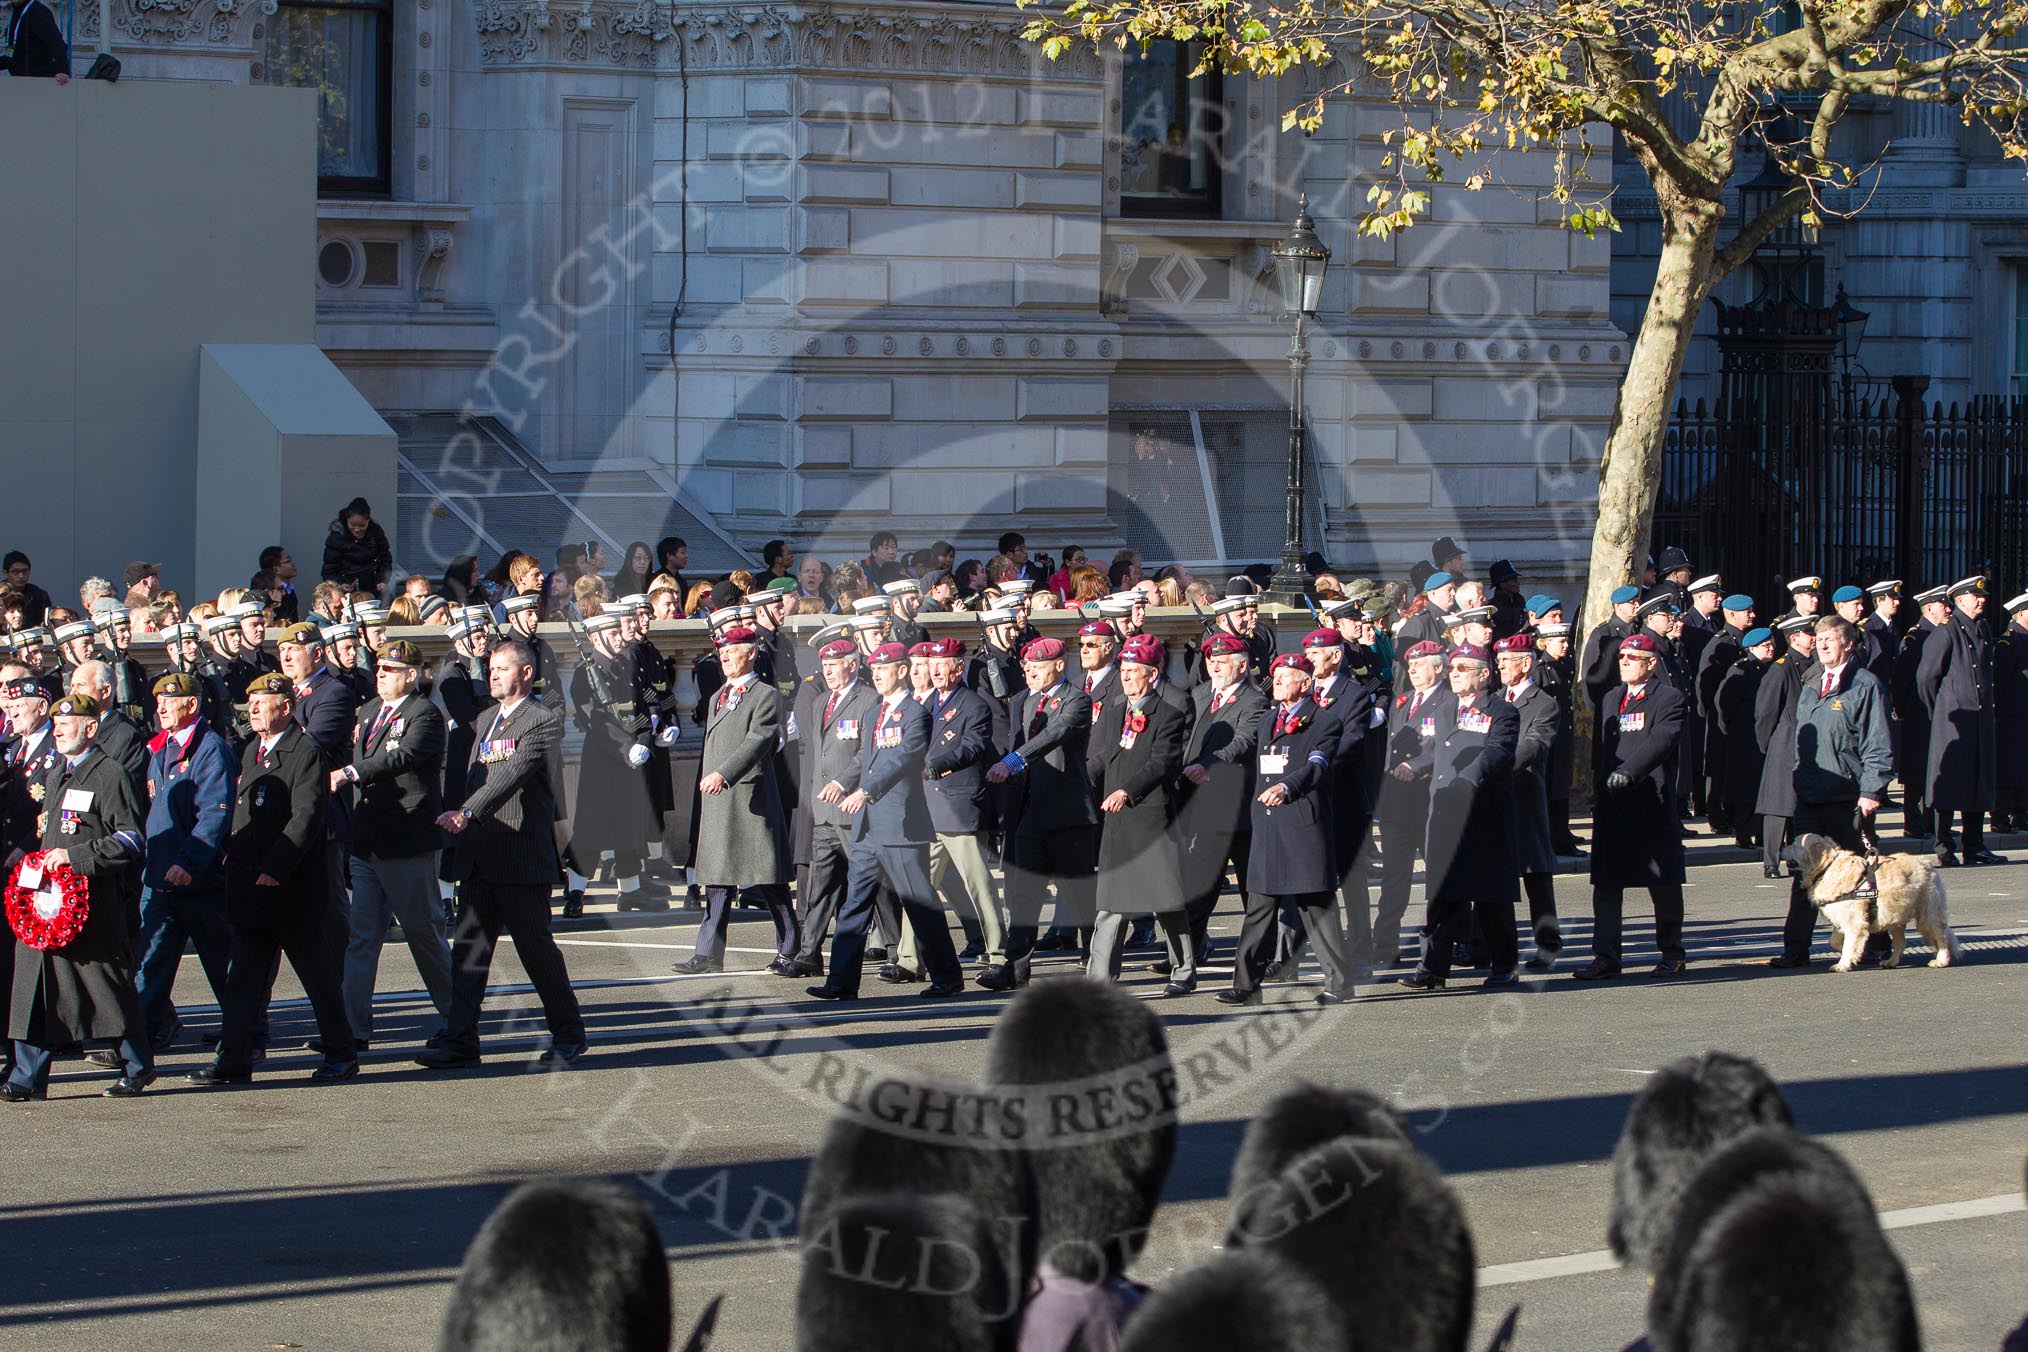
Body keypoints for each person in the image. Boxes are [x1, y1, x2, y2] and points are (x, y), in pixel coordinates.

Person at [418, 640, 587, 1069]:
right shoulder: (487, 718)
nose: (492, 675)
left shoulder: (542, 720)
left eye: (501, 668)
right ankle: (460, 1040)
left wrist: (467, 812)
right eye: (490, 668)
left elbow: (510, 776)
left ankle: (568, 1033)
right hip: (479, 855)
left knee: (536, 951)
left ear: (526, 674)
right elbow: (475, 776)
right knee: (469, 952)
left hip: (519, 857)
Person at [187, 674, 359, 1086]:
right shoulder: (252, 751)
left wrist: (276, 866)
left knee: (318, 978)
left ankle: (341, 1054)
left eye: (262, 702)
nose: (254, 710)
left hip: (291, 889)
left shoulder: (306, 753)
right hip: (251, 889)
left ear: (285, 707)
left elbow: (307, 817)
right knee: (243, 981)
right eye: (251, 703)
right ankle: (233, 1059)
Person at [3, 694, 152, 1101]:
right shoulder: (57, 777)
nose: (59, 731)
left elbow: (130, 839)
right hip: (48, 906)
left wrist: (76, 857)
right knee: (33, 985)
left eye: (68, 725)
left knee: (105, 988)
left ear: (90, 727)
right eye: (56, 725)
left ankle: (138, 1065)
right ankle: (25, 1076)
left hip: (93, 906)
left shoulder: (110, 774)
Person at [806, 643, 967, 1000]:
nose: (877, 675)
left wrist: (866, 791)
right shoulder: (874, 712)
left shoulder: (915, 714)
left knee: (919, 903)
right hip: (867, 827)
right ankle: (841, 983)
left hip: (900, 825)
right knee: (854, 906)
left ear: (904, 671)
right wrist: (842, 782)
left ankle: (947, 976)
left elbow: (906, 758)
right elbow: (864, 758)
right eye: (874, 669)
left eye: (886, 668)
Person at [330, 640, 453, 1045]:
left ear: (411, 675)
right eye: (379, 667)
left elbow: (403, 758)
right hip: (369, 842)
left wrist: (350, 772)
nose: (380, 674)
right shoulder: (368, 711)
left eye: (390, 669)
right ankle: (352, 1026)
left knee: (423, 933)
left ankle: (457, 1016)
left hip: (407, 843)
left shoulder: (425, 715)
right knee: (361, 936)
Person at [1222, 653, 1359, 1006]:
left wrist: (1287, 787)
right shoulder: (1268, 719)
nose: (1278, 680)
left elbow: (1319, 764)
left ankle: (1339, 983)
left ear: (1306, 682)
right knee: (1259, 907)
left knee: (1317, 907)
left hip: (1301, 824)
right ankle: (1246, 984)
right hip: (1267, 826)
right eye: (1275, 675)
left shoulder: (1324, 722)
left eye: (1286, 675)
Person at [1768, 617, 1896, 969]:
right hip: (1809, 795)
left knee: (1859, 874)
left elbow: (1878, 743)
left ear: (1849, 644)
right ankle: (1796, 948)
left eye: (1830, 639)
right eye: (1819, 639)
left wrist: (1872, 789)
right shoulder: (1811, 682)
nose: (1822, 645)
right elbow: (1800, 738)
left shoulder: (1865, 685)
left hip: (1848, 795)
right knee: (1803, 872)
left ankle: (1874, 943)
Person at [1398, 644, 1520, 990]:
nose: (1455, 674)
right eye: (1452, 668)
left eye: (1463, 669)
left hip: (1482, 814)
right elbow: (1435, 749)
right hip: (1444, 813)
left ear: (1484, 675)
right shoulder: (1447, 708)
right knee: (1442, 894)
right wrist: (1413, 765)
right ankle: (1431, 968)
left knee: (1490, 897)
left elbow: (1497, 750)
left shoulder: (1502, 710)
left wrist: (1469, 777)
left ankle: (1504, 965)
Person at [979, 637, 1096, 991]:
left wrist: (1012, 761)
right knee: (1024, 893)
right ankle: (1015, 968)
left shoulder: (1076, 699)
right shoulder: (1023, 700)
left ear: (1060, 665)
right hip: (1029, 810)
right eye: (1027, 667)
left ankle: (1095, 959)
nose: (1030, 672)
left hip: (1066, 813)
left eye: (1039, 666)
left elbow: (1055, 734)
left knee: (1080, 894)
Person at [678, 626, 797, 974]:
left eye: (732, 650)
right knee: (717, 878)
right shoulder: (718, 696)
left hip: (749, 797)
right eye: (722, 651)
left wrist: (724, 774)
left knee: (769, 878)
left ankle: (790, 950)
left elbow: (758, 740)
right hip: (719, 801)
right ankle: (707, 954)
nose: (725, 657)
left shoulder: (765, 695)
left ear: (751, 653)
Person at [133, 671, 239, 1050]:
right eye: (157, 699)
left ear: (191, 704)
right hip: (160, 876)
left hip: (199, 880)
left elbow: (214, 813)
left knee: (222, 962)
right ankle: (138, 1041)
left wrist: (190, 861)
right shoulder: (161, 748)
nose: (160, 706)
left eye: (169, 699)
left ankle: (247, 1034)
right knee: (150, 962)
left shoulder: (209, 748)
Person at [1576, 633, 1690, 980]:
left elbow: (1662, 741)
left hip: (1649, 801)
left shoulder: (1668, 698)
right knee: (1607, 882)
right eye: (1622, 656)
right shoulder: (1612, 698)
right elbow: (1601, 749)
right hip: (1613, 803)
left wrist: (1630, 771)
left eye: (1633, 657)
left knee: (1663, 882)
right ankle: (1606, 955)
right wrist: (1598, 789)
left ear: (1651, 663)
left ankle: (1672, 952)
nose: (1624, 662)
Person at [1084, 635, 1193, 987]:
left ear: (1152, 674)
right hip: (1116, 821)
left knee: (1167, 901)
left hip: (1149, 817)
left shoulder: (1169, 713)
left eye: (1133, 671)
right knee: (1112, 903)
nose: (1126, 677)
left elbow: (1161, 762)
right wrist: (1080, 778)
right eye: (1124, 670)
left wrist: (1126, 791)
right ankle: (1100, 980)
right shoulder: (1116, 709)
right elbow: (1104, 755)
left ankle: (1184, 970)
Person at [568, 612, 659, 914]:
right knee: (591, 828)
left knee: (628, 825)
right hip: (602, 760)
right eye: (613, 633)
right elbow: (593, 719)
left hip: (630, 759)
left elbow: (642, 710)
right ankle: (575, 892)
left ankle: (630, 891)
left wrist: (644, 742)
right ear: (595, 639)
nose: (621, 637)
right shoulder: (585, 673)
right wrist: (625, 747)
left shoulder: (625, 668)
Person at [1917, 575, 2005, 866]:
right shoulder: (1947, 632)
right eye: (1975, 596)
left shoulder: (1982, 628)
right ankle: (1944, 845)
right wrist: (1942, 709)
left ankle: (1974, 844)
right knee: (1949, 786)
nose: (1982, 600)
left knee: (1978, 780)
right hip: (1953, 720)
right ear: (1960, 600)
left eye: (1983, 596)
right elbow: (1927, 677)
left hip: (1978, 720)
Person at [1372, 641, 1448, 964]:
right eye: (1410, 664)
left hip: (1431, 803)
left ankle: (1444, 945)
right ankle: (1384, 944)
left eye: (1420, 664)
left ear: (1439, 668)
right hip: (1398, 804)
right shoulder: (1403, 702)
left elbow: (1444, 748)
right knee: (1394, 879)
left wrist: (1417, 767)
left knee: (1441, 880)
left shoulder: (1450, 701)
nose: (1413, 669)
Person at [1495, 632, 1563, 966]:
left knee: (1536, 875)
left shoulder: (1544, 703)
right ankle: (1485, 945)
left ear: (1526, 663)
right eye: (1499, 661)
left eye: (1506, 661)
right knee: (1492, 874)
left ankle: (1548, 944)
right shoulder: (1494, 698)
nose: (1501, 667)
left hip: (1523, 794)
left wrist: (1494, 765)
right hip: (1494, 798)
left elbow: (1535, 744)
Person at [1753, 616, 1815, 878]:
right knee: (1778, 807)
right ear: (1794, 638)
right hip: (1784, 742)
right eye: (1808, 634)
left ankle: (1795, 857)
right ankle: (1771, 860)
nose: (1813, 638)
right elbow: (1765, 713)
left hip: (1808, 745)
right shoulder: (1781, 668)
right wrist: (1769, 744)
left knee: (1799, 806)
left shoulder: (1815, 665)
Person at [1892, 584, 1950, 839]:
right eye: (1942, 605)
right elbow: (1903, 679)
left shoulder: (1942, 633)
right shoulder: (1916, 637)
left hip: (1936, 713)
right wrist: (1903, 711)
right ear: (1929, 608)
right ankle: (1914, 823)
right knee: (1916, 772)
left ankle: (1930, 823)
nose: (1948, 609)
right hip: (1918, 712)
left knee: (1934, 768)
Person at [1714, 628, 1777, 853]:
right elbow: (1724, 705)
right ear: (1752, 648)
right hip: (1745, 737)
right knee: (1746, 791)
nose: (1770, 648)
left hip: (1764, 737)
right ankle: (1743, 833)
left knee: (1763, 788)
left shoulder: (1772, 669)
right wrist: (1732, 731)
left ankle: (1760, 833)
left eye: (1771, 644)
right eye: (1765, 645)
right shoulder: (1741, 670)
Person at [1581, 585, 1642, 713]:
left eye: (1638, 601)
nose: (1637, 605)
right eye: (1632, 602)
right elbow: (1591, 676)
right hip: (1612, 703)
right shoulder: (1603, 633)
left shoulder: (1639, 629)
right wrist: (1600, 706)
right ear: (1618, 606)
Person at [1996, 591, 2028, 833]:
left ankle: (2020, 813)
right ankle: (2001, 816)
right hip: (2012, 717)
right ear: (2020, 614)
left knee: (2023, 768)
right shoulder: (2010, 642)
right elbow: (2000, 682)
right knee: (2008, 769)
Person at [321, 497, 393, 598]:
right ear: (346, 520)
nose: (357, 529)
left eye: (362, 525)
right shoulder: (337, 537)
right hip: (346, 589)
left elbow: (385, 558)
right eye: (353, 525)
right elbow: (329, 569)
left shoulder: (375, 533)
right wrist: (339, 584)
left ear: (368, 521)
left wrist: (382, 580)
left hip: (373, 586)